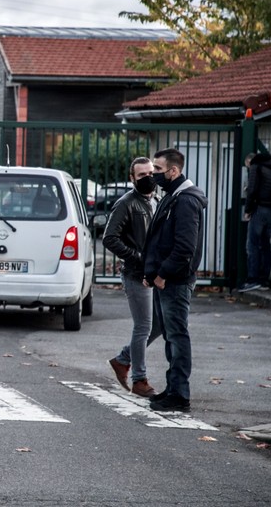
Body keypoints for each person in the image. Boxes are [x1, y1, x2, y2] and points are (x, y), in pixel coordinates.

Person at [142, 148, 208, 413]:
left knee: (177, 336)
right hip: (166, 280)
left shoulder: (185, 201)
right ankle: (172, 389)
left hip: (174, 281)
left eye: (158, 169)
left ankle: (180, 395)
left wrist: (161, 274)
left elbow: (184, 247)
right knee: (171, 336)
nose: (153, 174)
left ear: (174, 171)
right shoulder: (173, 196)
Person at [103, 157, 161, 398]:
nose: (148, 178)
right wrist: (137, 257)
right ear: (132, 179)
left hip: (157, 274)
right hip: (136, 274)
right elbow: (109, 238)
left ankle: (123, 359)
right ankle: (140, 380)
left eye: (150, 172)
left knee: (161, 324)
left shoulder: (157, 200)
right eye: (141, 175)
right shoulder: (126, 203)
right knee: (144, 327)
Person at [239, 151, 271, 293]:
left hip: (258, 209)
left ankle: (252, 279)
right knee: (265, 245)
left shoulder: (256, 167)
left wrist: (248, 209)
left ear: (250, 161)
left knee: (252, 245)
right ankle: (264, 280)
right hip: (269, 210)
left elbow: (252, 190)